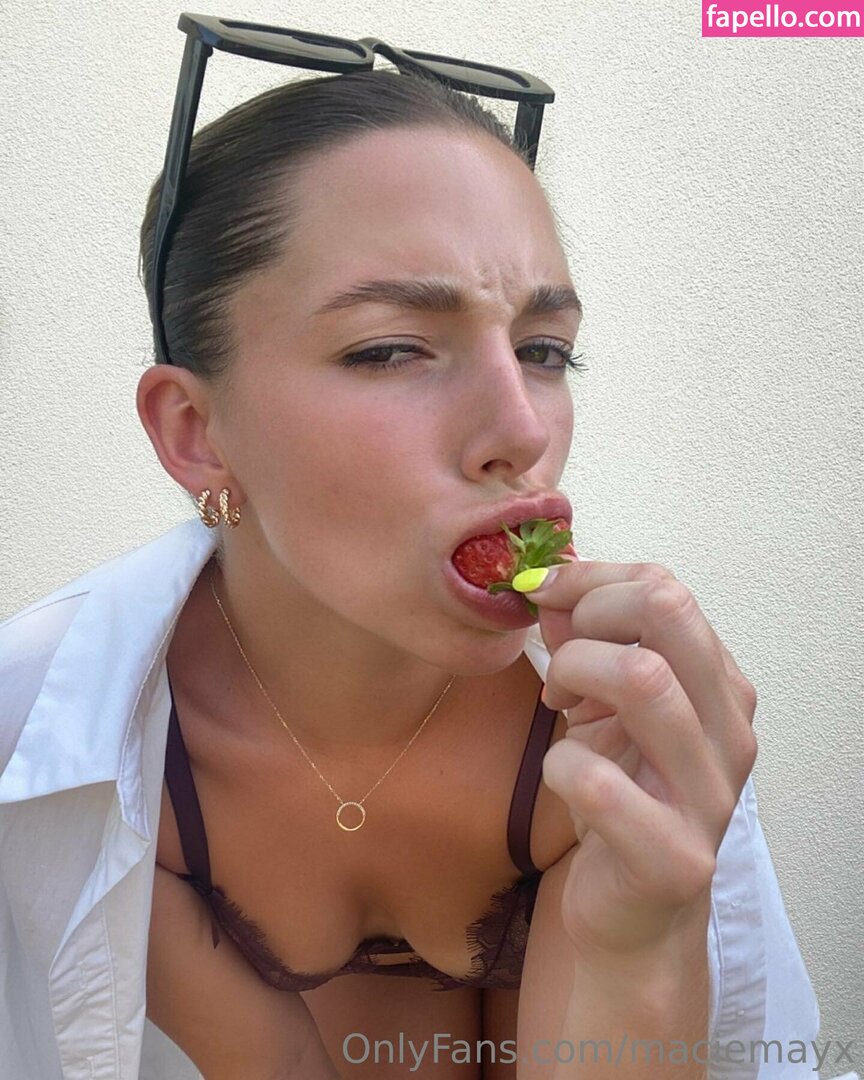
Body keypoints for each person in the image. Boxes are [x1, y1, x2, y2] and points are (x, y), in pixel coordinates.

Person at [0, 64, 838, 1080]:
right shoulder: (75, 746)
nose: (521, 431)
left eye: (544, 350)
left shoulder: (625, 728)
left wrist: (643, 942)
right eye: (392, 350)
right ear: (196, 433)